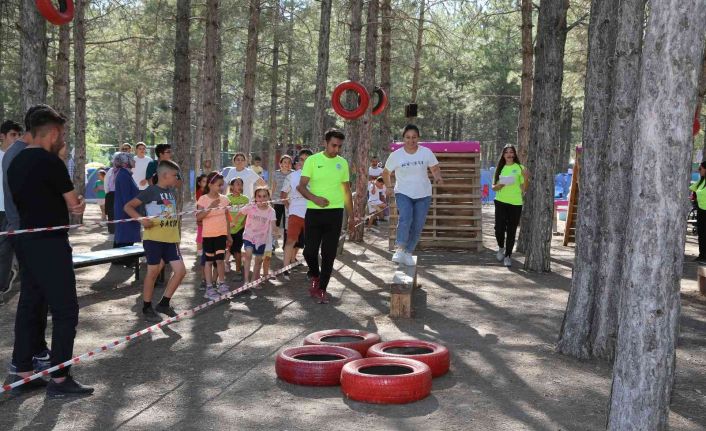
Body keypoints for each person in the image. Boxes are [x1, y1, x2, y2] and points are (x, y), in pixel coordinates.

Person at [7, 106, 93, 396]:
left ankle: (22, 371)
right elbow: (74, 205)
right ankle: (60, 378)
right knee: (65, 309)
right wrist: (76, 203)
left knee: (30, 304)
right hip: (51, 243)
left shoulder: (15, 161)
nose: (63, 140)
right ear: (53, 133)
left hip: (27, 241)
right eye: (62, 134)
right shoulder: (51, 162)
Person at [2, 106, 53, 378]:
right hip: (27, 234)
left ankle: (36, 351)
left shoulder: (23, 153)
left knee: (37, 296)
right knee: (31, 299)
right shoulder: (19, 154)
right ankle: (22, 362)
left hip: (31, 233)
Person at [124, 160, 186, 322]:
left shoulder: (171, 192)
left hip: (171, 240)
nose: (176, 178)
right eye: (175, 175)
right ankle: (146, 307)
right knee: (153, 271)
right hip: (154, 239)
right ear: (165, 175)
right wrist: (141, 220)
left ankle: (164, 303)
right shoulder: (150, 191)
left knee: (180, 272)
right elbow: (128, 207)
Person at [297, 129, 354, 304]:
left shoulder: (342, 163)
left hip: (335, 213)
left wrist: (351, 217)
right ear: (325, 142)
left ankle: (322, 289)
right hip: (314, 212)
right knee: (309, 251)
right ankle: (315, 275)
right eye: (333, 145)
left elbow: (346, 190)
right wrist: (316, 199)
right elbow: (301, 187)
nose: (336, 149)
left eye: (339, 146)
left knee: (329, 254)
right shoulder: (312, 161)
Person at [383, 125, 443, 266]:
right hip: (403, 192)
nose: (411, 140)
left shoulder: (426, 152)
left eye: (414, 137)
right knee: (405, 218)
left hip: (423, 194)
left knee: (418, 224)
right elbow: (386, 173)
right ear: (403, 138)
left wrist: (438, 177)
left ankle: (409, 252)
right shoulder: (396, 155)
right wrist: (389, 187)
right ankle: (400, 248)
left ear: (418, 138)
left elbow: (434, 168)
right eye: (408, 137)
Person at [491, 144, 529, 267]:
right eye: (506, 152)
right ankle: (501, 248)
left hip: (515, 203)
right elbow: (493, 187)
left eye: (511, 152)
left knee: (511, 230)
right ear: (503, 155)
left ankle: (508, 256)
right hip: (500, 201)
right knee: (499, 228)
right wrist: (500, 185)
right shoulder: (500, 168)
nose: (509, 154)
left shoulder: (520, 167)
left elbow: (524, 189)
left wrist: (526, 177)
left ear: (514, 154)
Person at [196, 171, 232, 300]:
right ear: (210, 185)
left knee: (220, 260)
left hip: (221, 235)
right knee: (209, 262)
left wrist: (229, 235)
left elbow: (227, 218)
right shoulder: (203, 199)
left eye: (222, 185)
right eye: (218, 184)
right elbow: (198, 217)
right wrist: (210, 207)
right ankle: (209, 288)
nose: (221, 187)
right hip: (208, 235)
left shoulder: (225, 199)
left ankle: (221, 284)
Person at [235, 187, 277, 287]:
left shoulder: (271, 211)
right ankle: (246, 280)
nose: (262, 199)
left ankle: (254, 281)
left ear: (268, 197)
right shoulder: (251, 206)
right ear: (255, 197)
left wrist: (275, 231)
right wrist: (234, 222)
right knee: (248, 254)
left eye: (264, 196)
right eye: (259, 196)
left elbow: (273, 224)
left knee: (258, 261)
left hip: (262, 240)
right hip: (249, 236)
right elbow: (240, 212)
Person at [280, 149, 312, 280]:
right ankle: (285, 269)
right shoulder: (292, 176)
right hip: (295, 214)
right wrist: (290, 208)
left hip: (313, 214)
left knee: (312, 244)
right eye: (302, 159)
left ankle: (312, 270)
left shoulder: (318, 176)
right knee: (290, 241)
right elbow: (283, 195)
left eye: (308, 159)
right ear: (299, 161)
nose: (305, 162)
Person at [0, 120, 22, 296]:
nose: (16, 138)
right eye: (12, 135)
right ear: (2, 136)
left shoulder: (20, 156)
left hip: (11, 211)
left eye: (18, 135)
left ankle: (2, 285)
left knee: (5, 250)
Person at [111, 152, 141, 255]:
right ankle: (124, 259)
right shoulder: (123, 175)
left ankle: (122, 258)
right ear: (125, 162)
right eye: (132, 159)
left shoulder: (126, 173)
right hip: (126, 211)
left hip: (127, 209)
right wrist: (131, 210)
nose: (134, 161)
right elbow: (126, 196)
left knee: (125, 234)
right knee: (125, 235)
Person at [226, 178, 249, 278]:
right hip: (228, 229)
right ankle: (225, 266)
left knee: (237, 250)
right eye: (237, 184)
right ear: (231, 187)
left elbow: (249, 213)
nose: (240, 186)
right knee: (227, 250)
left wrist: (244, 221)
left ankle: (238, 271)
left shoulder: (245, 199)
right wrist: (229, 224)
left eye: (241, 184)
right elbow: (224, 213)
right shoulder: (226, 199)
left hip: (240, 229)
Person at [271, 155, 293, 249]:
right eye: (285, 162)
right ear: (280, 164)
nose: (287, 164)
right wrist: (271, 200)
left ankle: (286, 245)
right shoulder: (276, 173)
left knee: (287, 225)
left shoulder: (293, 174)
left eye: (289, 162)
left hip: (288, 203)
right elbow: (274, 187)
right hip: (277, 202)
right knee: (275, 223)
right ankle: (272, 243)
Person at [690, 161, 706, 261]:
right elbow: (694, 190)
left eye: (700, 169)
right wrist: (694, 197)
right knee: (701, 233)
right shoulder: (701, 181)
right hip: (701, 210)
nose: (699, 170)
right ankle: (702, 255)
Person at [194, 174, 208, 267]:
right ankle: (199, 252)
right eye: (203, 181)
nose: (206, 183)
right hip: (201, 215)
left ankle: (203, 250)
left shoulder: (207, 191)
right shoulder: (199, 192)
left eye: (207, 181)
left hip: (207, 215)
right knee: (200, 234)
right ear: (199, 183)